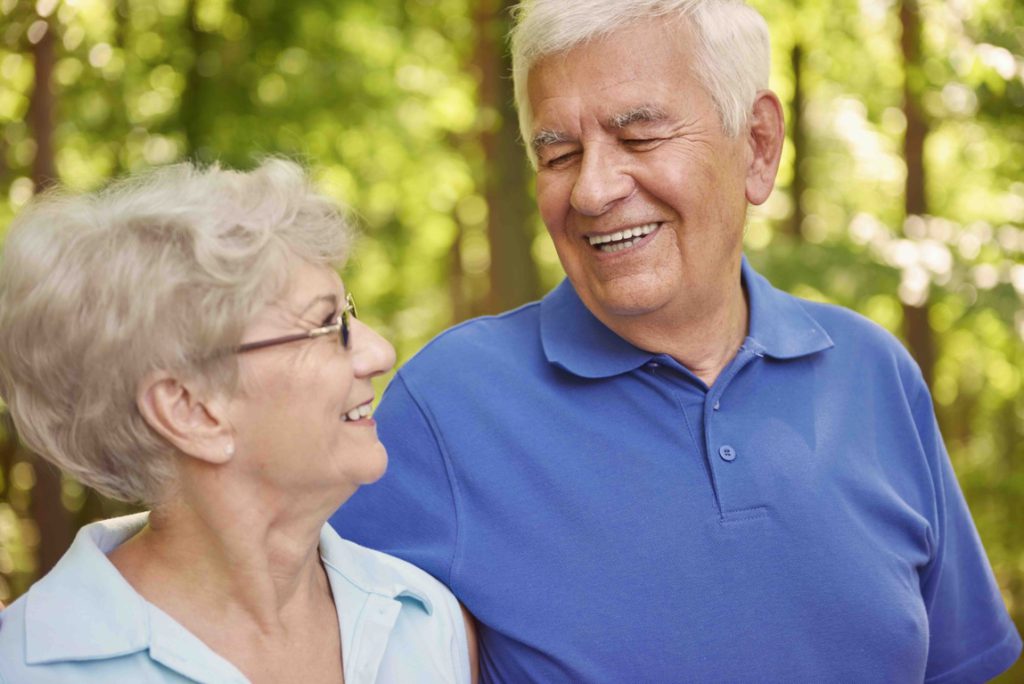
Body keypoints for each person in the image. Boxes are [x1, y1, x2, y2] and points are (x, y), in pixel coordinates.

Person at [331, 0, 1023, 681]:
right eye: (560, 153)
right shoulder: (448, 405)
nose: (592, 191)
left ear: (757, 145)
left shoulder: (876, 375)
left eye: (640, 138)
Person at [0, 160, 476, 683]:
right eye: (325, 323)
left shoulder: (422, 618)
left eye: (350, 312)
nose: (380, 353)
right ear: (190, 409)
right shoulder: (27, 667)